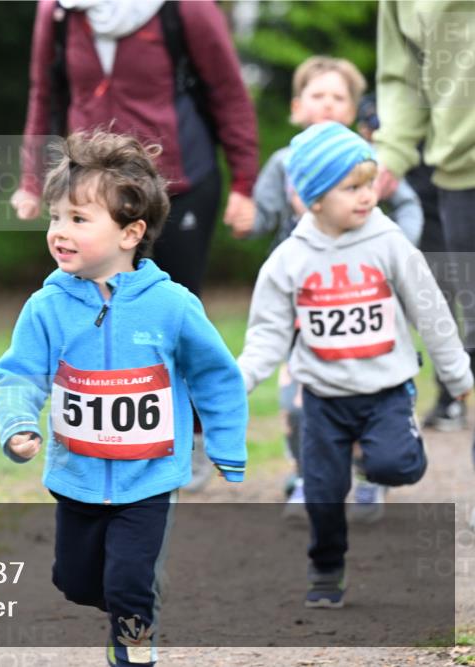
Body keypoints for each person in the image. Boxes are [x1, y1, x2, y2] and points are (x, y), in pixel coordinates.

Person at [0, 130, 248, 667]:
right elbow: (18, 374)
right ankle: (132, 590)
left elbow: (214, 376)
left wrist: (226, 444)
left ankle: (134, 642)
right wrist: (18, 424)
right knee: (76, 581)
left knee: (129, 580)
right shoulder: (46, 307)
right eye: (56, 217)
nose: (60, 231)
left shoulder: (172, 305)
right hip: (77, 475)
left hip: (148, 478)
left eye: (79, 219)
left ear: (131, 232)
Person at [9, 0, 258, 492]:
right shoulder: (59, 11)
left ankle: (193, 436)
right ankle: (107, 436)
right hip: (91, 196)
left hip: (181, 183)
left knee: (175, 312)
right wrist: (33, 180)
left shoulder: (185, 9)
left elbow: (228, 91)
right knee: (92, 306)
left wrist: (245, 183)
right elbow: (45, 94)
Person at [238, 122, 472, 608]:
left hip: (387, 392)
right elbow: (266, 335)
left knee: (394, 465)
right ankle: (326, 569)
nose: (367, 196)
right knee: (322, 493)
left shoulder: (390, 243)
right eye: (352, 188)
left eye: (370, 184)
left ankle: (389, 452)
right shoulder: (288, 261)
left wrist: (460, 380)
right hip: (323, 400)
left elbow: (432, 314)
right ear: (314, 198)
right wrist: (239, 381)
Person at [248, 56, 424, 522]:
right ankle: (308, 477)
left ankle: (367, 473)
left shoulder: (365, 163)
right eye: (317, 95)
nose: (327, 104)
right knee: (297, 399)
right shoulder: (283, 163)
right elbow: (263, 216)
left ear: (352, 109)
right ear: (297, 106)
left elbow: (408, 205)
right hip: (300, 298)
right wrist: (246, 218)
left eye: (338, 97)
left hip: (358, 297)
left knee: (364, 393)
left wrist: (399, 250)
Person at [357, 93, 467, 432]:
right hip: (403, 228)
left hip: (440, 220)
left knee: (441, 308)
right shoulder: (388, 102)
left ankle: (452, 398)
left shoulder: (445, 106)